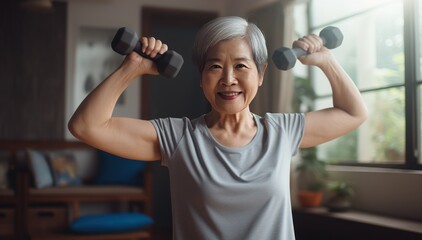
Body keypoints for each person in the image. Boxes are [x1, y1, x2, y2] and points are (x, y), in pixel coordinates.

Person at [69, 16, 367, 240]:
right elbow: (86, 126)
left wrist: (327, 61)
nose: (228, 79)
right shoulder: (177, 138)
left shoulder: (282, 132)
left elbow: (353, 113)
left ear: (261, 73)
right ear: (201, 78)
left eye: (241, 66)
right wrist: (131, 68)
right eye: (214, 67)